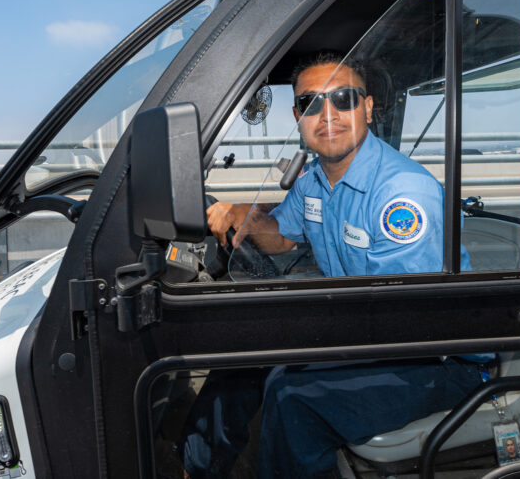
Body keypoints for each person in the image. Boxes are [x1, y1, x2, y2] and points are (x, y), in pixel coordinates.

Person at [181, 51, 485, 478]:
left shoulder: (402, 194)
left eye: (343, 99)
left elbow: (407, 320)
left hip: (438, 361)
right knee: (244, 354)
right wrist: (243, 217)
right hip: (372, 335)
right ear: (297, 115)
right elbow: (283, 235)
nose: (328, 114)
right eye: (310, 103)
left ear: (367, 107)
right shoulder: (315, 180)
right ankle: (198, 468)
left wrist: (301, 330)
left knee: (292, 395)